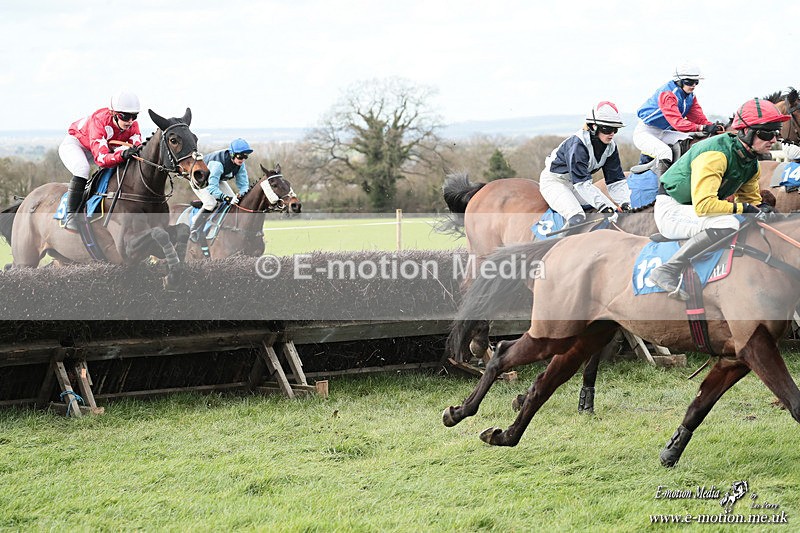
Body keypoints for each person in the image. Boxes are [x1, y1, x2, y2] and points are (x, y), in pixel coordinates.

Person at [647, 97, 790, 300]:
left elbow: (751, 200)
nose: (774, 140)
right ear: (746, 132)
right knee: (730, 222)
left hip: (695, 212)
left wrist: (763, 208)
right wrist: (746, 209)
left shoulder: (751, 162)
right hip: (673, 209)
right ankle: (667, 269)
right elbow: (705, 205)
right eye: (767, 133)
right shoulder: (716, 155)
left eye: (776, 133)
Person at [539, 101, 631, 235]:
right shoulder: (578, 145)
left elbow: (615, 180)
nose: (612, 134)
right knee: (577, 218)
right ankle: (555, 248)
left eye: (615, 129)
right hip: (555, 183)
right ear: (593, 127)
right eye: (607, 129)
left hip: (577, 184)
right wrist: (602, 206)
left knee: (615, 214)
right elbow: (582, 183)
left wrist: (625, 202)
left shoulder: (611, 147)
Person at [57, 90, 143, 230]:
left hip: (97, 149)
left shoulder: (133, 125)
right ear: (114, 113)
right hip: (77, 146)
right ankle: (72, 215)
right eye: (125, 116)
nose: (130, 121)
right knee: (82, 168)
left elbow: (137, 147)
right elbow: (101, 159)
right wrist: (122, 154)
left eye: (134, 116)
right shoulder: (100, 121)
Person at [633, 64, 723, 178]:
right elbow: (677, 123)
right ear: (679, 81)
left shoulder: (690, 96)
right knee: (665, 153)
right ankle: (662, 192)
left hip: (663, 132)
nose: (693, 85)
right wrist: (702, 128)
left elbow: (698, 118)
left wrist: (713, 126)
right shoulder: (668, 94)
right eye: (689, 82)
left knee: (689, 141)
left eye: (696, 82)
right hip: (645, 133)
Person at [190, 138, 253, 245]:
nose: (242, 159)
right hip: (200, 180)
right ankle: (194, 229)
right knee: (211, 203)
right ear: (232, 154)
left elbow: (244, 185)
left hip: (216, 180)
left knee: (234, 203)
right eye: (240, 156)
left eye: (245, 156)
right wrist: (225, 198)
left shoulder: (240, 165)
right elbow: (212, 187)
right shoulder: (218, 164)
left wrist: (241, 195)